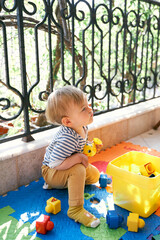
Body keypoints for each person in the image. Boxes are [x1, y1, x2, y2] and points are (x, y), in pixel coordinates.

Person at [41, 85, 100, 228]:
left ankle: (70, 183)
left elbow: (78, 148)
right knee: (79, 170)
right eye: (83, 109)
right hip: (51, 172)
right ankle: (75, 209)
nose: (90, 110)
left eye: (88, 105)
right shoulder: (67, 138)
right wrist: (79, 158)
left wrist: (90, 147)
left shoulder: (82, 126)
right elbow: (55, 163)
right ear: (67, 122)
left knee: (95, 176)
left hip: (63, 166)